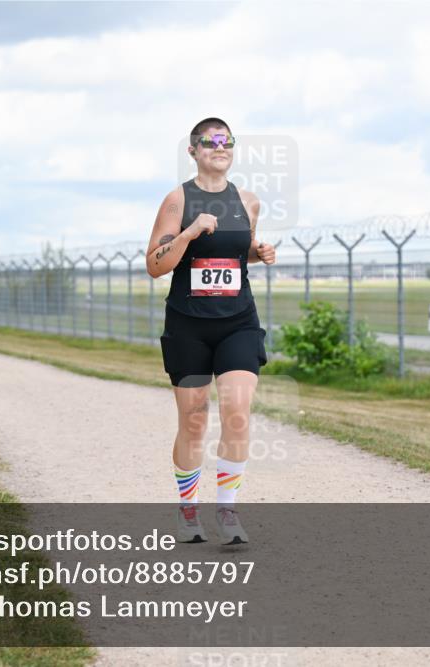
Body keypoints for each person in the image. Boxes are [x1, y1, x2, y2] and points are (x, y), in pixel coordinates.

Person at [146, 117, 276, 545]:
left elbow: (237, 256)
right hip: (189, 325)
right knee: (195, 419)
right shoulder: (177, 199)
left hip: (238, 321)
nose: (219, 147)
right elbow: (155, 265)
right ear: (193, 150)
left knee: (237, 412)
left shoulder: (249, 201)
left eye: (226, 141)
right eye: (210, 141)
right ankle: (188, 511)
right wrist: (189, 231)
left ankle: (227, 510)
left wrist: (257, 253)